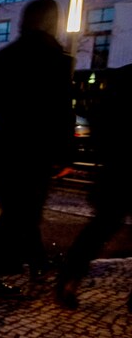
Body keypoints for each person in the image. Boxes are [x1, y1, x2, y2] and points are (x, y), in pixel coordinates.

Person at [0, 0, 73, 298]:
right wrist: (65, 154)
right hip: (33, 151)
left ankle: (38, 262)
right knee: (20, 213)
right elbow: (61, 110)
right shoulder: (55, 58)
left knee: (20, 211)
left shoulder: (3, 56)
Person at [57, 64, 132, 311]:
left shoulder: (116, 87)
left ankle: (69, 278)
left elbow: (98, 124)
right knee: (100, 229)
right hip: (119, 168)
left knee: (99, 230)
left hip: (116, 170)